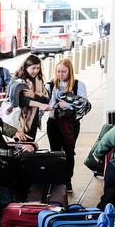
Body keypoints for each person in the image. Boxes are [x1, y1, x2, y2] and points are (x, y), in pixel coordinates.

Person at [45, 58, 90, 192]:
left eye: (63, 71)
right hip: (53, 122)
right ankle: (56, 179)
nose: (60, 74)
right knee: (55, 152)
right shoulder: (51, 84)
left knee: (69, 152)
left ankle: (67, 181)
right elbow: (45, 102)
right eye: (58, 71)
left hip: (71, 123)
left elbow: (85, 106)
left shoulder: (78, 85)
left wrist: (68, 105)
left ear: (70, 71)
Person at [7, 55, 53, 139]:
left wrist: (34, 95)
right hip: (19, 118)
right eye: (33, 68)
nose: (36, 71)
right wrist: (39, 104)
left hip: (33, 119)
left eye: (38, 68)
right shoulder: (17, 79)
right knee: (19, 147)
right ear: (26, 67)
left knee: (30, 146)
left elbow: (46, 99)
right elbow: (17, 99)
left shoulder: (38, 79)